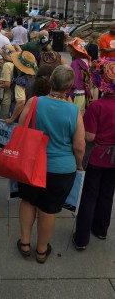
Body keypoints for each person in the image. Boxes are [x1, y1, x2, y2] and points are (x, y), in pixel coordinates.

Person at [17, 65, 85, 263]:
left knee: (28, 200)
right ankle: (41, 249)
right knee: (48, 208)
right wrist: (79, 164)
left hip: (32, 163)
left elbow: (21, 129)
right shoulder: (73, 111)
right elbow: (79, 146)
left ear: (50, 81)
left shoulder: (35, 102)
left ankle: (25, 243)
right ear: (70, 86)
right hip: (61, 169)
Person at [73, 58, 115, 250]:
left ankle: (81, 238)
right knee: (107, 194)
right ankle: (101, 229)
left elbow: (89, 136)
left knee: (89, 195)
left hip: (97, 157)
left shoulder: (97, 106)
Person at [5, 51, 38, 125]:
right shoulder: (35, 78)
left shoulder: (20, 82)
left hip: (21, 117)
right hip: (32, 115)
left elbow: (20, 102)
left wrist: (11, 119)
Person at [67, 37, 91, 112]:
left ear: (76, 50)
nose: (68, 51)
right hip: (85, 93)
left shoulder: (75, 63)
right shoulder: (87, 61)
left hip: (76, 94)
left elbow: (74, 81)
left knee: (75, 116)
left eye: (70, 48)